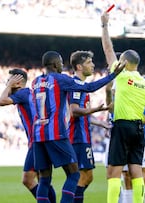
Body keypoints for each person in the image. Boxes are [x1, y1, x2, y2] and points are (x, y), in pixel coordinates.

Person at [31, 50, 125, 203]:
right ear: (55, 64)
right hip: (56, 133)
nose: (63, 65)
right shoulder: (61, 79)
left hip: (38, 134)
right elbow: (89, 88)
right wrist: (113, 75)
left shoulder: (35, 82)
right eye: (61, 62)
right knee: (74, 175)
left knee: (44, 179)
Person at [101, 11, 145, 203]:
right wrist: (138, 121)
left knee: (114, 172)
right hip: (139, 129)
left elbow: (108, 49)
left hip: (122, 126)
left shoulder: (122, 76)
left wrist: (104, 26)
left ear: (124, 63)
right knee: (136, 172)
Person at [0, 68, 56, 203]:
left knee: (28, 179)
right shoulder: (30, 93)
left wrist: (8, 86)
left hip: (37, 141)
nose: (8, 83)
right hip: (43, 139)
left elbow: (1, 101)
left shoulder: (22, 93)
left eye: (10, 80)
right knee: (43, 180)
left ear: (17, 83)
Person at [66, 50, 112, 203]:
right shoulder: (75, 86)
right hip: (77, 137)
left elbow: (84, 114)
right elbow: (74, 112)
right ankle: (68, 198)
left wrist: (100, 123)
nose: (93, 65)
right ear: (79, 67)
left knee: (85, 177)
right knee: (83, 177)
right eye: (89, 62)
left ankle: (69, 197)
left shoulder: (81, 86)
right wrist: (95, 109)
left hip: (83, 136)